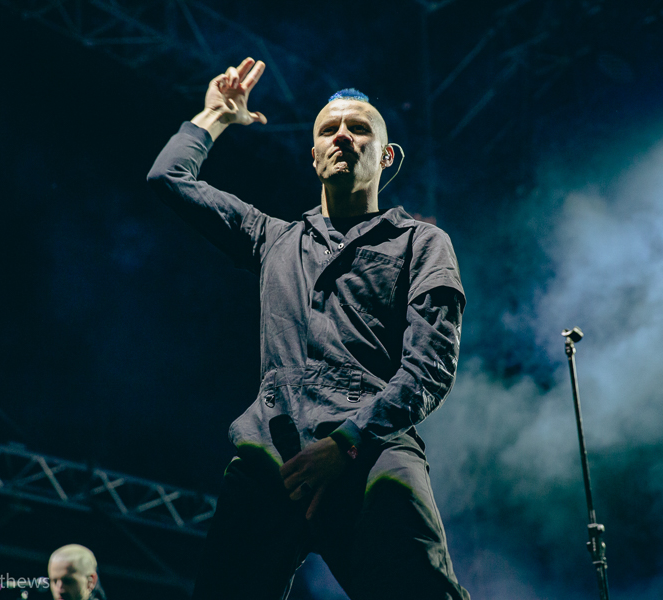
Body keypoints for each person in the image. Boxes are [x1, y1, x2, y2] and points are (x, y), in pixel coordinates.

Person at [147, 57, 469, 600]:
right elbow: (169, 178)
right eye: (328, 130)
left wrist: (347, 443)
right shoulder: (271, 238)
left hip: (372, 447)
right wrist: (215, 116)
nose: (342, 135)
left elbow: (430, 367)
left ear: (386, 156)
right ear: (314, 154)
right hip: (272, 456)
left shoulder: (421, 242)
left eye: (358, 128)